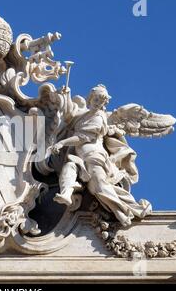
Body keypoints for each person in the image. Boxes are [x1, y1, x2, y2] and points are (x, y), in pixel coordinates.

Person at [51, 85, 151, 227]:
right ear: (91, 98)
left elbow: (82, 137)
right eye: (96, 99)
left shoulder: (99, 118)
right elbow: (69, 117)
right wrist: (67, 95)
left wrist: (62, 143)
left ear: (104, 104)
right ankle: (67, 195)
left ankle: (126, 211)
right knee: (69, 167)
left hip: (94, 156)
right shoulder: (84, 114)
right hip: (81, 157)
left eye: (101, 101)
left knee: (98, 188)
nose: (97, 103)